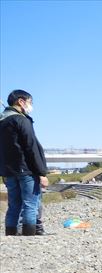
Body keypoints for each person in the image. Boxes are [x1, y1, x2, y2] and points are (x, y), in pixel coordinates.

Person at [0, 89, 48, 236]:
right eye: (29, 102)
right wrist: (41, 172)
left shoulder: (2, 121)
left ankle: (11, 233)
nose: (30, 106)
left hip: (8, 172)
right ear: (21, 101)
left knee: (13, 205)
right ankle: (29, 234)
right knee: (30, 203)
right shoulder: (21, 119)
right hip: (25, 170)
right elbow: (31, 146)